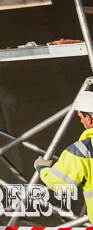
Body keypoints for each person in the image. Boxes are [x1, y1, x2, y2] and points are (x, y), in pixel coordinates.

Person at [38, 90, 93, 220]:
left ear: (89, 118)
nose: (81, 121)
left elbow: (60, 183)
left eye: (80, 117)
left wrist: (43, 169)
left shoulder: (83, 150)